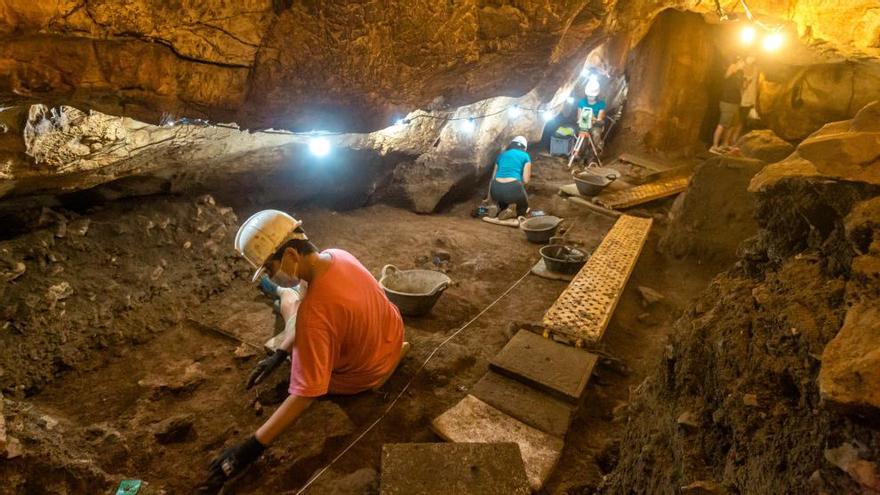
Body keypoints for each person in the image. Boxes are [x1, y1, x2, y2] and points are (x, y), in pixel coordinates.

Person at [198, 210, 408, 493]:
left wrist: (249, 448)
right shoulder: (337, 254)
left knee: (295, 312)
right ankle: (281, 299)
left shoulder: (314, 318)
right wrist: (280, 353)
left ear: (291, 257)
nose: (274, 272)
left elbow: (307, 393)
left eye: (270, 269)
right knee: (295, 303)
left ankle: (279, 296)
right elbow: (313, 304)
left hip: (366, 372)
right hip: (390, 333)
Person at [488, 136, 532, 220]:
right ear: (524, 147)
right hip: (513, 187)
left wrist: (489, 198)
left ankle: (499, 209)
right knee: (524, 205)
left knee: (503, 198)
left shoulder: (501, 155)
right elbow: (526, 180)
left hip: (495, 188)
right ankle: (515, 214)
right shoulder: (525, 156)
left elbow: (493, 178)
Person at [711, 57, 746, 154]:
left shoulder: (739, 75)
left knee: (732, 124)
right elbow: (728, 73)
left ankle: (725, 144)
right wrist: (736, 65)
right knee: (722, 124)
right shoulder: (731, 72)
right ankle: (714, 146)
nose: (744, 64)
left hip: (735, 102)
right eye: (742, 62)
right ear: (737, 63)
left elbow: (740, 88)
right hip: (727, 102)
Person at [576, 77, 607, 161]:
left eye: (592, 96)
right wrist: (582, 121)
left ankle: (591, 156)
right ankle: (579, 155)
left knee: (596, 135)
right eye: (589, 95)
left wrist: (593, 119)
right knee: (583, 137)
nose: (590, 97)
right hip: (584, 124)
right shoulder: (581, 102)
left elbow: (600, 118)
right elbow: (579, 117)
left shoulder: (601, 104)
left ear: (597, 95)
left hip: (595, 125)